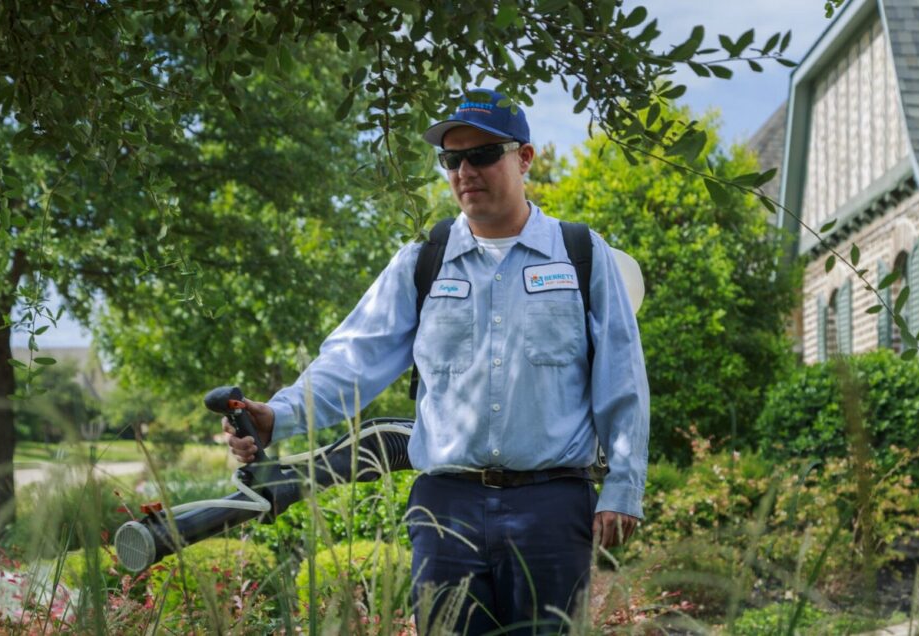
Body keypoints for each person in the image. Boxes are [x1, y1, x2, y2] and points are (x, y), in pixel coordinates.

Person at [224, 88, 649, 634]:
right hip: (445, 509)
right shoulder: (421, 262)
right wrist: (276, 415)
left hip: (551, 505)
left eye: (483, 155)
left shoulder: (581, 254)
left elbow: (622, 378)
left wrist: (623, 486)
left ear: (524, 158)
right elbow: (353, 359)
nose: (465, 170)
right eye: (452, 159)